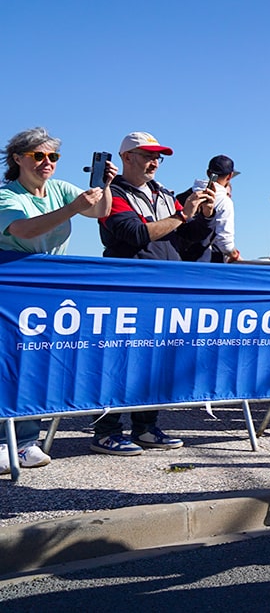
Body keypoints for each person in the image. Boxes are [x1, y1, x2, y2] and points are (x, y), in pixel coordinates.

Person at [0, 127, 116, 474]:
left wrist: (105, 186)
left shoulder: (62, 189)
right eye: (38, 155)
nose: (47, 162)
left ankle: (24, 442)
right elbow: (24, 230)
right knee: (8, 361)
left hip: (46, 288)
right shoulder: (7, 195)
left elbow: (98, 213)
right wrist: (72, 209)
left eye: (53, 156)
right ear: (18, 158)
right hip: (11, 284)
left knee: (35, 362)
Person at [94, 131, 215, 455]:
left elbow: (191, 238)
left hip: (165, 287)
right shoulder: (112, 192)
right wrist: (182, 215)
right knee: (120, 359)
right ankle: (106, 429)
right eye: (148, 155)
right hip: (127, 288)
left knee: (153, 360)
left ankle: (146, 425)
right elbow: (133, 234)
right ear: (127, 157)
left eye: (158, 156)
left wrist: (204, 215)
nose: (155, 161)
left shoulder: (164, 193)